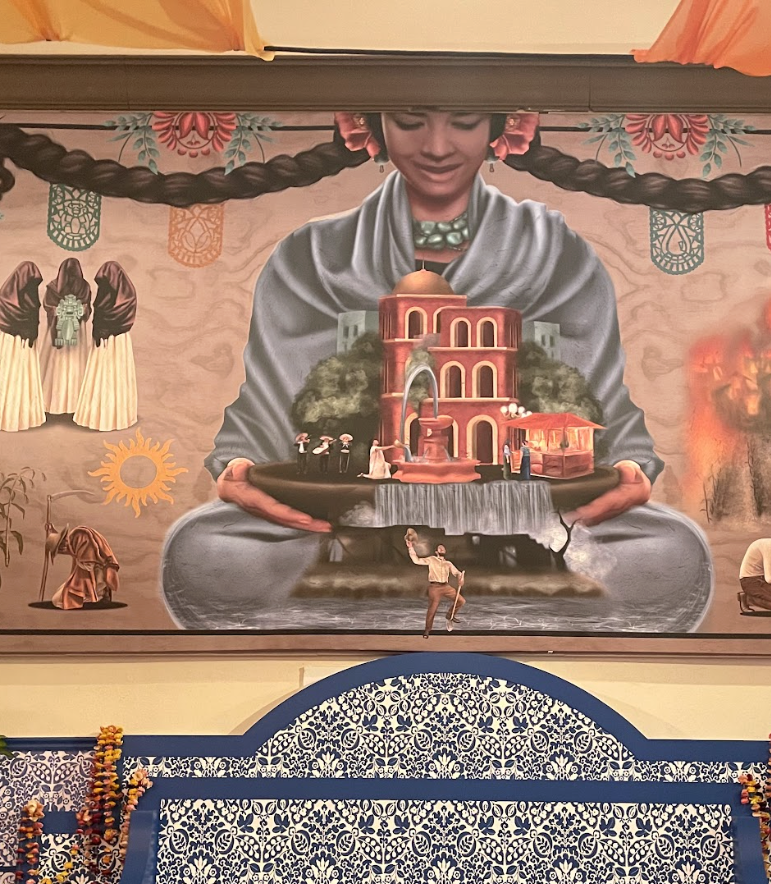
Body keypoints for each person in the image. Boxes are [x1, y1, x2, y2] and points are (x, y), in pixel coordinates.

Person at [160, 110, 726, 633]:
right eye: (410, 121)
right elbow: (266, 414)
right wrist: (239, 468)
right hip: (349, 502)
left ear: (502, 128)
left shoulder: (555, 252)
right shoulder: (311, 255)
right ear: (373, 125)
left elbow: (601, 410)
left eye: (464, 121)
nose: (436, 146)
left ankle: (471, 586)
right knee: (208, 554)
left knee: (665, 555)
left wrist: (627, 468)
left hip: (531, 502)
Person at [0, 261, 46, 431]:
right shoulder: (8, 296)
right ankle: (7, 416)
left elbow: (32, 310)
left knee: (23, 376)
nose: (33, 289)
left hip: (24, 341)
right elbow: (14, 314)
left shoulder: (16, 293)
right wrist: (24, 329)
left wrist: (30, 330)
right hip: (13, 341)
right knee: (10, 374)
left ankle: (23, 415)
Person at [73, 261, 138, 432]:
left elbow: (120, 314)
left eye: (105, 283)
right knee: (100, 374)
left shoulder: (126, 298)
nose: (103, 288)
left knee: (115, 374)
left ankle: (115, 415)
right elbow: (99, 310)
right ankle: (97, 413)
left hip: (117, 340)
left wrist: (107, 328)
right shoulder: (106, 295)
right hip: (102, 340)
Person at [41, 258, 92, 416]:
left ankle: (75, 404)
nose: (71, 278)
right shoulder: (53, 287)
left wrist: (81, 310)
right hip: (57, 329)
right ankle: (51, 402)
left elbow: (88, 308)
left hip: (76, 330)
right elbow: (48, 306)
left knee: (75, 364)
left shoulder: (84, 287)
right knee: (56, 365)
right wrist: (62, 312)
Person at [406, 528, 466, 637]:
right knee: (432, 609)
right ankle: (427, 630)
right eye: (439, 547)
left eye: (443, 548)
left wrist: (460, 577)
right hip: (435, 588)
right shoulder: (431, 559)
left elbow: (456, 572)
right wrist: (411, 548)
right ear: (436, 551)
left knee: (461, 601)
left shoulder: (448, 563)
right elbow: (416, 560)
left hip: (446, 586)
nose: (442, 548)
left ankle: (449, 616)